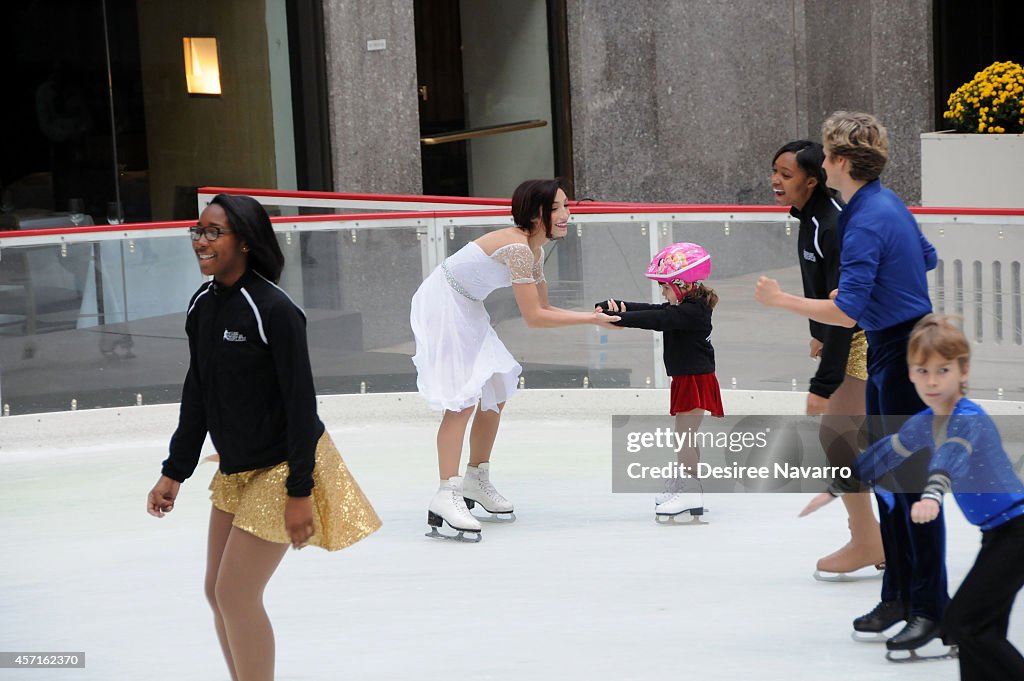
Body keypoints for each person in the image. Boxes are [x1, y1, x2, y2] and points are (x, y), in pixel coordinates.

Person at [147, 194, 381, 681]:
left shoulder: (273, 309)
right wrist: (175, 470)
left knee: (236, 594)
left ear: (246, 242)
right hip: (238, 466)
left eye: (214, 232)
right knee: (216, 591)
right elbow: (199, 390)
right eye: (198, 230)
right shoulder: (201, 304)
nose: (201, 241)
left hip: (283, 465)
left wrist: (300, 491)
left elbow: (301, 405)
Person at [755, 111, 947, 651]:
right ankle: (900, 595)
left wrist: (782, 301)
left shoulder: (862, 219)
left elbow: (849, 310)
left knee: (910, 487)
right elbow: (926, 257)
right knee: (892, 482)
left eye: (825, 152)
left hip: (900, 352)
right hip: (896, 347)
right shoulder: (885, 206)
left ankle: (933, 610)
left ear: (838, 161)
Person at [802, 315, 1024, 673]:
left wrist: (931, 496)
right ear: (909, 374)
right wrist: (833, 491)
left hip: (1016, 533)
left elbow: (950, 456)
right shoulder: (925, 419)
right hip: (998, 535)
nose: (932, 381)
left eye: (942, 370)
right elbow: (888, 451)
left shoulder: (966, 417)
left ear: (963, 371)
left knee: (964, 625)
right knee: (980, 628)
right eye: (922, 371)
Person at [410, 178, 621, 541]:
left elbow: (545, 308)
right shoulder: (518, 248)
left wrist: (596, 315)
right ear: (535, 213)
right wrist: (591, 319)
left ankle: (476, 479)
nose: (566, 215)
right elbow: (535, 318)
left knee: (496, 387)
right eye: (556, 208)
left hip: (466, 304)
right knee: (461, 400)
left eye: (566, 206)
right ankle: (447, 492)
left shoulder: (534, 252)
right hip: (442, 302)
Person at [770, 140, 884, 579]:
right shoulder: (811, 218)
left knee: (838, 436)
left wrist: (823, 381)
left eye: (786, 173)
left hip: (862, 338)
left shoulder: (830, 224)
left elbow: (846, 308)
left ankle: (869, 538)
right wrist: (817, 333)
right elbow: (826, 292)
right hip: (848, 334)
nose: (776, 181)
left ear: (813, 179)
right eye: (775, 171)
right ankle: (873, 535)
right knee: (847, 438)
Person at [596, 242, 723, 522]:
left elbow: (658, 318)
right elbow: (654, 309)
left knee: (684, 437)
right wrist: (621, 306)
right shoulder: (688, 305)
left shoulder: (693, 311)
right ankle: (687, 485)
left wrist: (620, 319)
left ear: (683, 284)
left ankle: (691, 490)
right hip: (688, 377)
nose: (663, 293)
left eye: (666, 287)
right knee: (684, 436)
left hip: (695, 380)